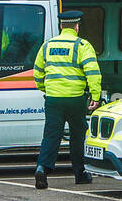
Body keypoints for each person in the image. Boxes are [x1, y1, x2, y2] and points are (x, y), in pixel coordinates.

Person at [34, 10, 102, 189]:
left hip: (53, 99)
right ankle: (80, 174)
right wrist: (96, 96)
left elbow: (37, 72)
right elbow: (93, 73)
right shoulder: (82, 46)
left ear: (61, 26)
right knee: (77, 136)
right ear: (77, 27)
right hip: (75, 99)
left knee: (51, 135)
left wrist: (46, 89)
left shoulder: (47, 46)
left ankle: (42, 168)